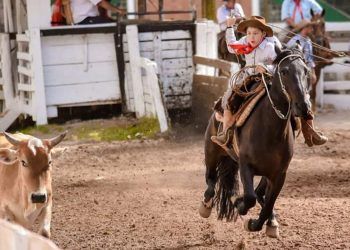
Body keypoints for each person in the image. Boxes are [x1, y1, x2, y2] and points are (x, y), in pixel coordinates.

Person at [211, 15, 327, 149]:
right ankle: (226, 133)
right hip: (247, 76)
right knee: (229, 97)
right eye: (249, 33)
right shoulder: (244, 42)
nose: (251, 37)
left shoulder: (270, 46)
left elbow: (279, 65)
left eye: (255, 33)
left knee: (300, 95)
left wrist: (266, 67)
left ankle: (310, 131)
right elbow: (232, 47)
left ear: (263, 33)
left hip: (268, 78)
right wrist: (230, 27)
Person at [287, 20, 328, 147]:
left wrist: (313, 72)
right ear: (305, 28)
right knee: (303, 98)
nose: (311, 29)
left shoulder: (308, 41)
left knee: (306, 99)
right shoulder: (294, 41)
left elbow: (309, 59)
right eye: (310, 27)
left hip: (303, 73)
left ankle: (309, 132)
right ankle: (308, 132)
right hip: (296, 74)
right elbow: (287, 56)